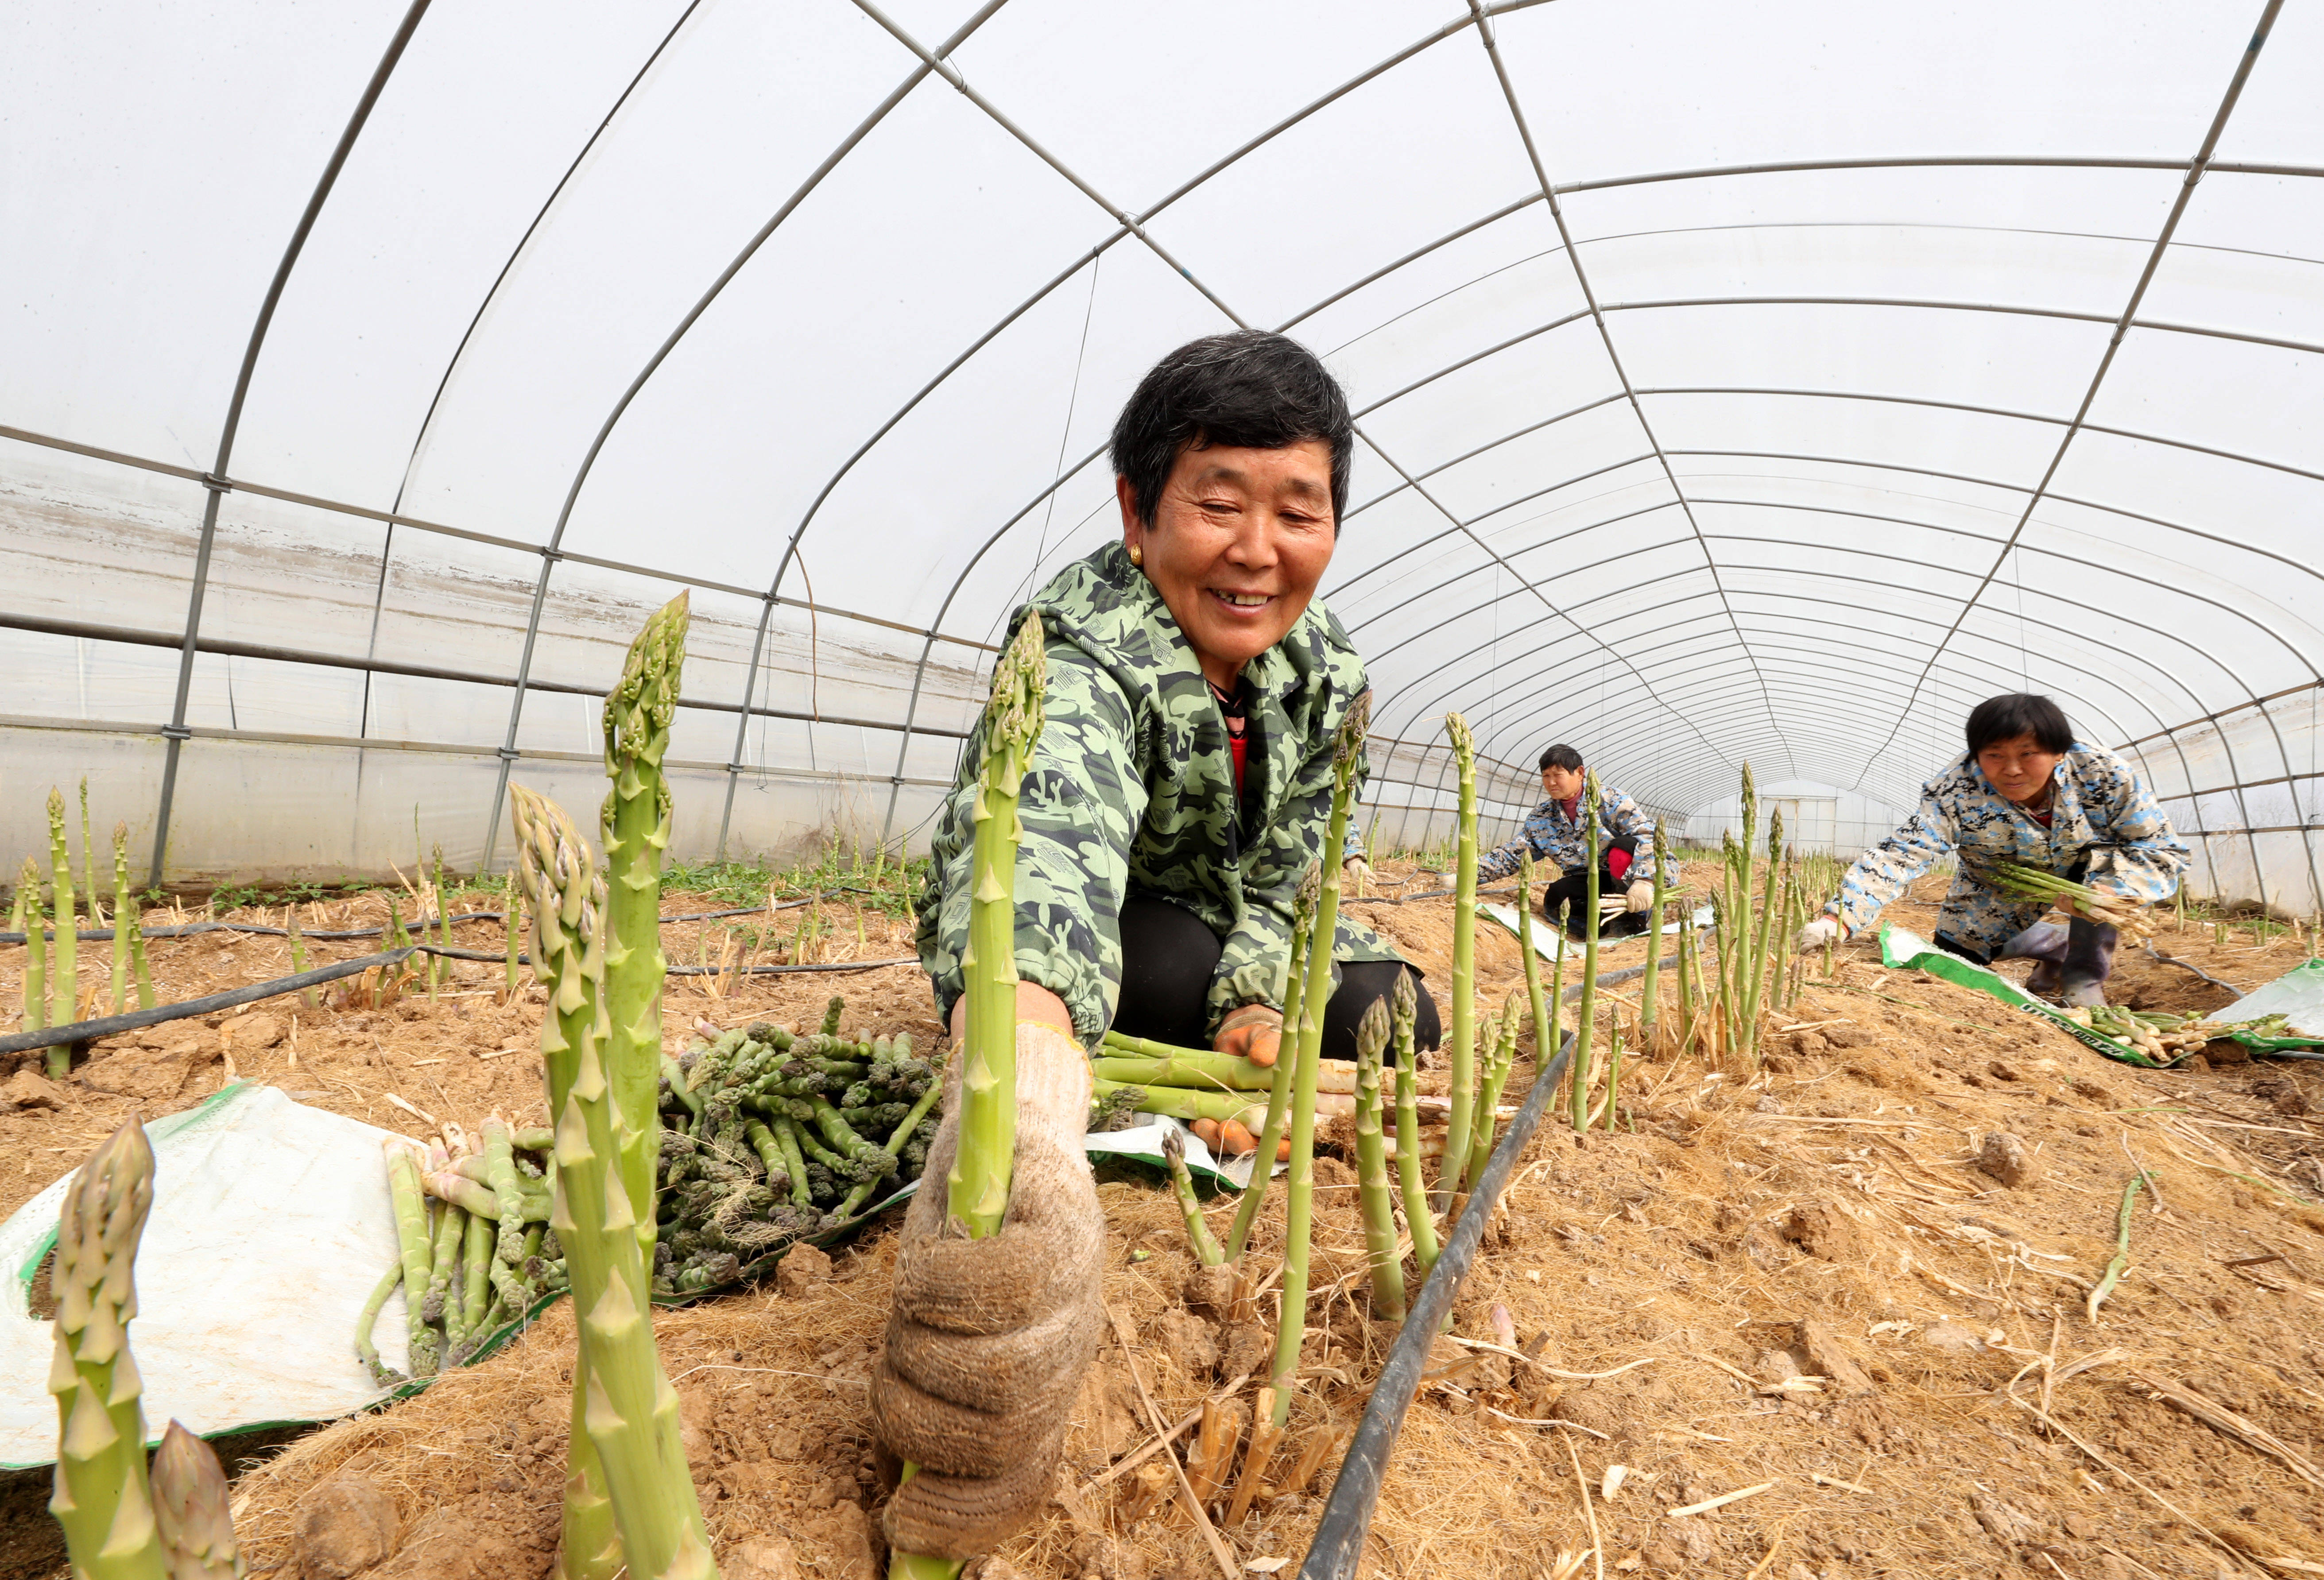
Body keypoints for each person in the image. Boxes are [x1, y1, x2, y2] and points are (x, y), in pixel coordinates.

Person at [872, 331, 1438, 1566]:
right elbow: (1050, 856)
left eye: (1299, 511)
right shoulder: (1080, 650)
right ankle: (1111, 1073)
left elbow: (1291, 875)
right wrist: (1016, 1115)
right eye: (1218, 504)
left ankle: (1203, 1062)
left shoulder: (1324, 670)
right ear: (1139, 511)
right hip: (1102, 936)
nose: (1257, 551)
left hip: (1215, 942)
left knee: (1398, 1008)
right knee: (1159, 962)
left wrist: (1257, 1002)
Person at [1795, 693, 2187, 1007]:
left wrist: (2113, 891)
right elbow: (1900, 853)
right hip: (1998, 881)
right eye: (1995, 755)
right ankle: (2056, 944)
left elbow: (2159, 847)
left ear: (2059, 753)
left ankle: (2082, 978)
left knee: (2103, 878)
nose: (2012, 769)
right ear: (1977, 756)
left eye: (2027, 754)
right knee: (1954, 960)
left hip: (2090, 875)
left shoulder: (2103, 773)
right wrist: (1839, 919)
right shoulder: (1955, 789)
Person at [1475, 744, 1667, 939]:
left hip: (1632, 879)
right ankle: (1608, 927)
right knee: (1557, 895)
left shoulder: (1610, 799)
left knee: (1623, 847)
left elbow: (1647, 835)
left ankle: (1641, 917)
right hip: (1591, 880)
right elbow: (1513, 854)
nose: (1551, 783)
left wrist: (1645, 880)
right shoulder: (1542, 818)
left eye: (1558, 775)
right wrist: (1468, 876)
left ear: (1580, 773)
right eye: (1546, 777)